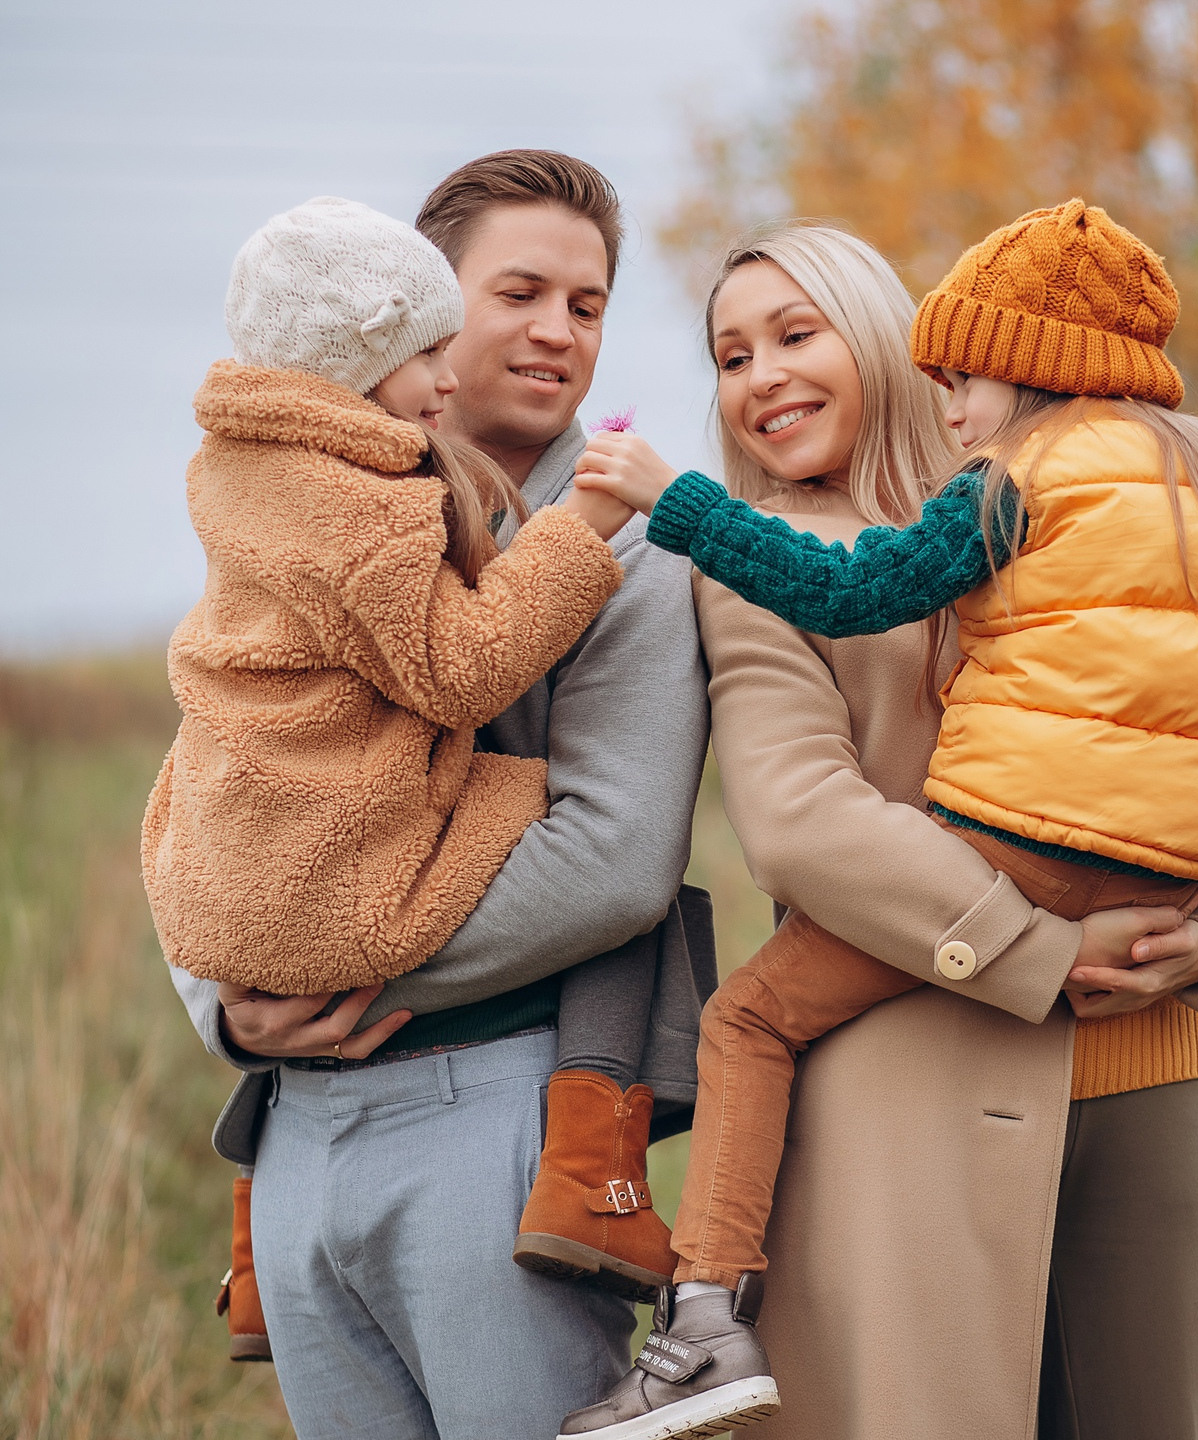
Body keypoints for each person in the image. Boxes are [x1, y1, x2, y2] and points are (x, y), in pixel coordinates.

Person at [561, 215, 1198, 1440]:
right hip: (922, 1095)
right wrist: (1045, 952)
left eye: (797, 334)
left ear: (894, 348)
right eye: (731, 357)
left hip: (1155, 1063)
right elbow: (803, 826)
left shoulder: (1051, 504)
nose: (763, 379)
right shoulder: (762, 568)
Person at [170, 152, 713, 1439]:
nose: (557, 331)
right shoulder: (303, 512)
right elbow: (223, 779)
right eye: (518, 291)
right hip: (298, 1124)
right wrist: (232, 1009)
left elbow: (616, 853)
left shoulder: (630, 545)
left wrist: (346, 970)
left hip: (498, 1108)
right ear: (421, 310)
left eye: (587, 305)